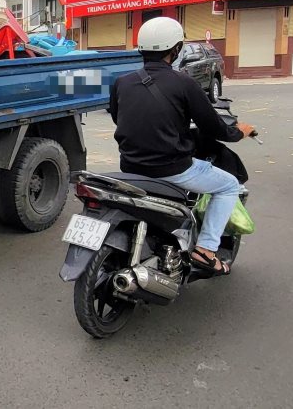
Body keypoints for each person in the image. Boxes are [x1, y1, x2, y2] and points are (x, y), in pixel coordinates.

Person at [109, 17, 254, 276]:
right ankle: (206, 250)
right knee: (229, 185)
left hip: (129, 166)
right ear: (175, 50)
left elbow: (118, 118)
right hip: (171, 169)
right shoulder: (184, 83)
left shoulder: (122, 82)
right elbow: (213, 128)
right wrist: (239, 132)